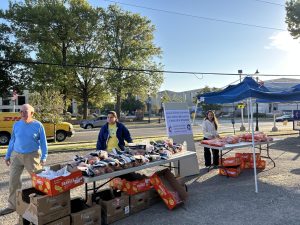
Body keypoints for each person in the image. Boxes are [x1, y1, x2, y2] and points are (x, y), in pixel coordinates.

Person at [0, 104, 48, 216]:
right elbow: (12, 141)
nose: (23, 114)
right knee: (13, 181)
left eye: (25, 111)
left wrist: (44, 157)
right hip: (16, 155)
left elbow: (43, 143)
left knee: (38, 181)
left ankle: (41, 204)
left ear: (32, 113)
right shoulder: (16, 125)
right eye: (21, 111)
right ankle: (12, 205)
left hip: (32, 156)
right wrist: (7, 156)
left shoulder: (38, 125)